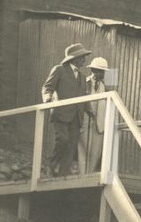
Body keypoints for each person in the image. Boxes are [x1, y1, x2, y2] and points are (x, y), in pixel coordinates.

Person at [41, 43, 92, 177]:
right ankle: (51, 164)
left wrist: (90, 111)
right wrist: (47, 97)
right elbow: (47, 87)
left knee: (71, 146)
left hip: (76, 116)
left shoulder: (82, 77)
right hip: (61, 113)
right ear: (73, 58)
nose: (84, 60)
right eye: (82, 57)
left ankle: (63, 174)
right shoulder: (59, 70)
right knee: (62, 140)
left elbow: (83, 97)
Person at [79, 57, 111, 174]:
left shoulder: (105, 87)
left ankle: (90, 174)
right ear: (92, 70)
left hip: (99, 123)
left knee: (96, 152)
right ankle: (82, 175)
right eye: (97, 70)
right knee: (83, 149)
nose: (100, 73)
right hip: (85, 121)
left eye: (102, 71)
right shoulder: (84, 83)